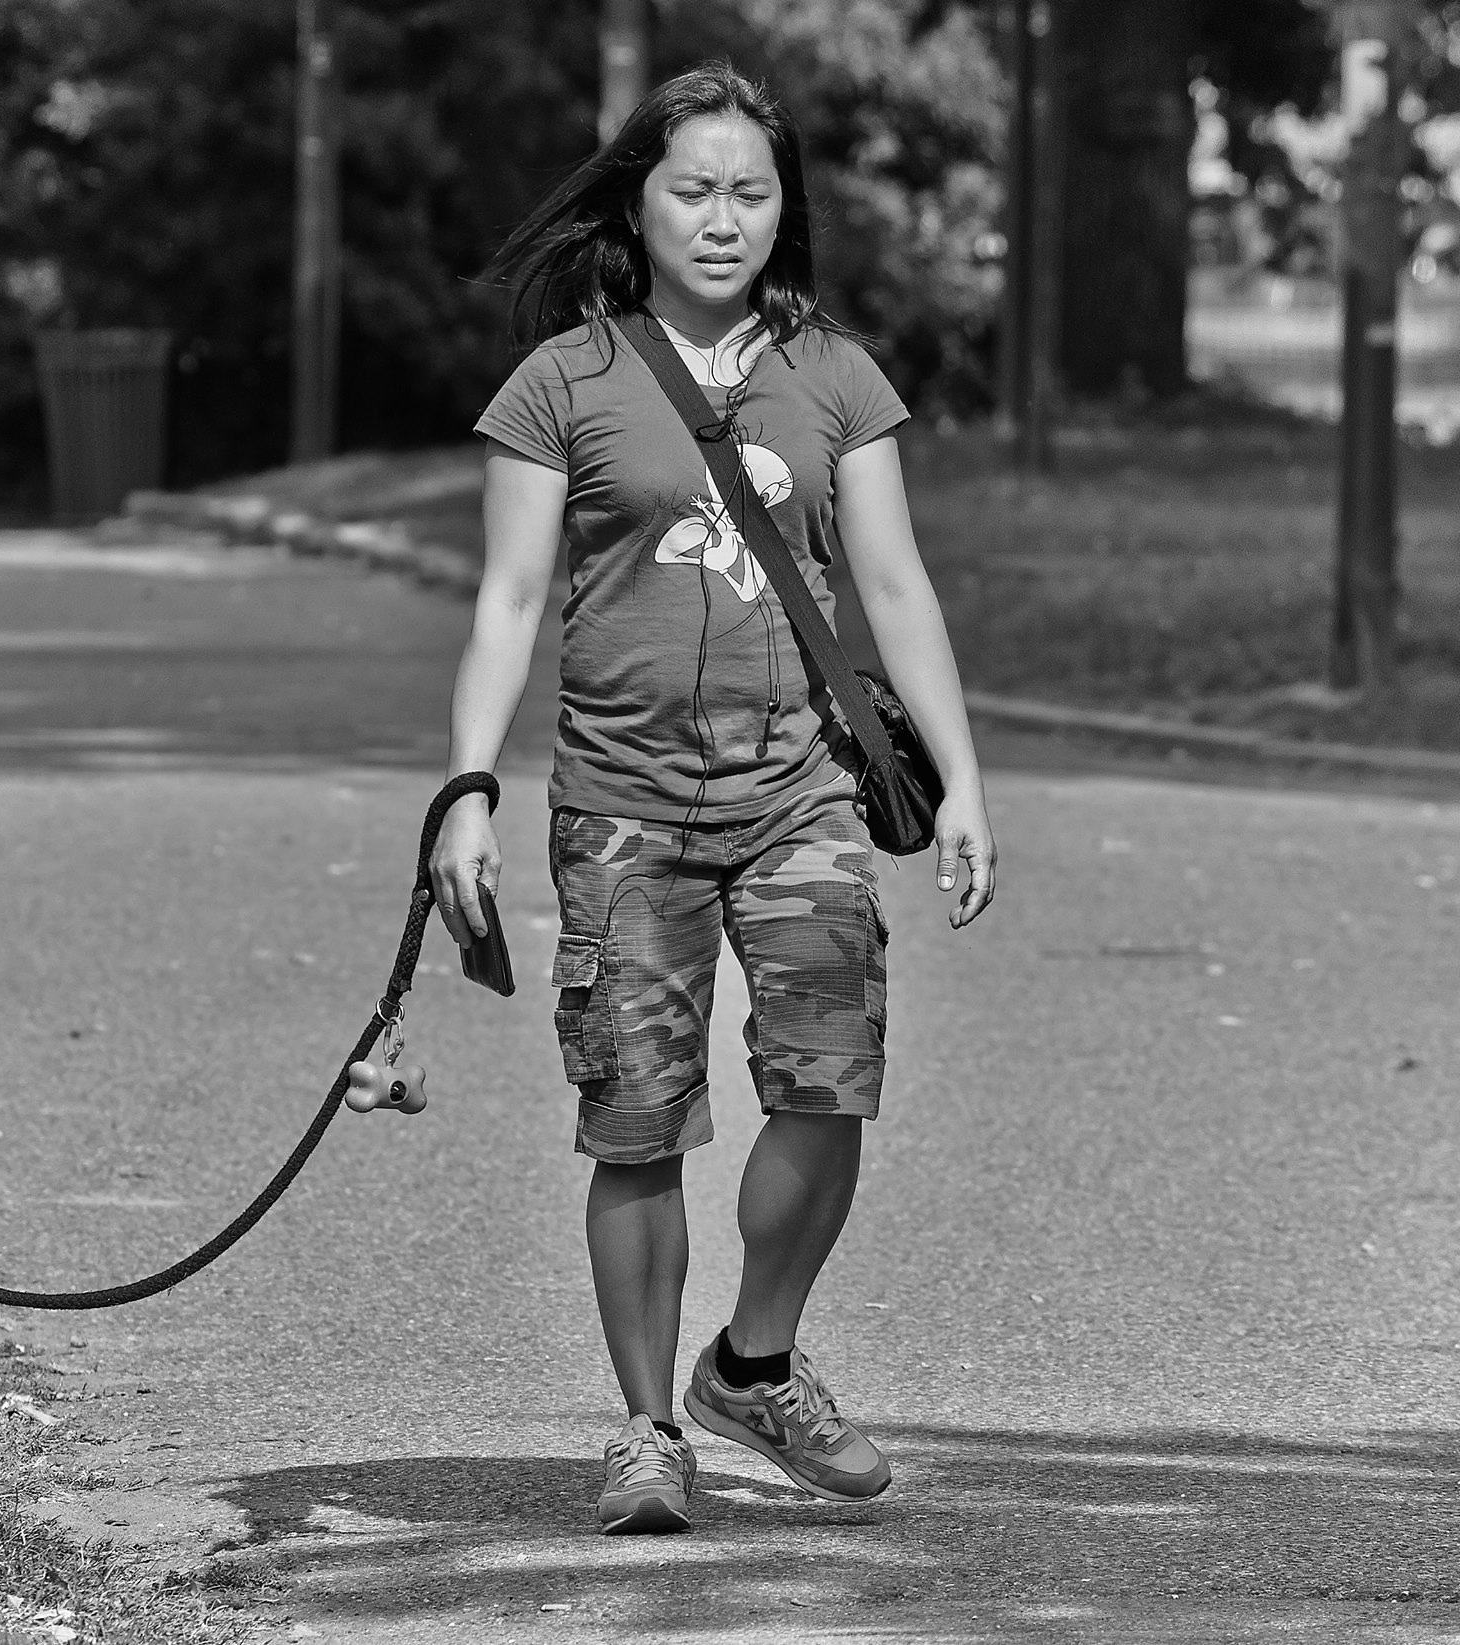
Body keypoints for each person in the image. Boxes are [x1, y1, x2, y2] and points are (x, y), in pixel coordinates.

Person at [429, 62, 998, 1535]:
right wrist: (467, 790)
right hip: (620, 806)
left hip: (801, 795)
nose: (723, 217)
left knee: (829, 1082)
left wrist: (962, 779)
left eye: (752, 192)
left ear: (781, 209)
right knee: (637, 1123)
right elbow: (507, 601)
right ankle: (646, 1431)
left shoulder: (836, 375)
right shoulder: (561, 382)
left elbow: (892, 585)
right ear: (637, 205)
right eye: (692, 190)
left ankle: (753, 1361)